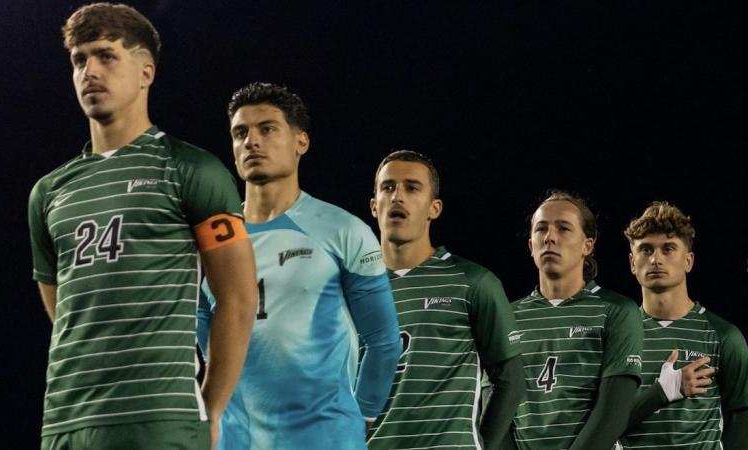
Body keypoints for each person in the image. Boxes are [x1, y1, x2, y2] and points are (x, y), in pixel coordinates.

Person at [27, 4, 257, 449]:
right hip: (64, 422)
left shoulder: (192, 170)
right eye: (79, 60)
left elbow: (239, 299)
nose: (89, 70)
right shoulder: (48, 192)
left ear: (146, 72)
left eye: (106, 56)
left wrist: (210, 409)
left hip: (161, 423)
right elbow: (65, 311)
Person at [196, 82, 401, 450]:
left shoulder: (344, 231)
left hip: (326, 438)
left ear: (300, 142)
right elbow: (206, 346)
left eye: (267, 129)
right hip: (236, 440)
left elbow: (384, 341)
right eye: (240, 133)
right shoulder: (210, 242)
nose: (251, 142)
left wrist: (362, 417)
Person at [365, 150, 524, 449]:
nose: (397, 196)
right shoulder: (350, 290)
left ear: (434, 208)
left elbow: (510, 381)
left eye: (412, 188)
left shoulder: (474, 282)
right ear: (374, 206)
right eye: (388, 187)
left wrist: (480, 444)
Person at [510, 191, 643, 450]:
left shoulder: (617, 311)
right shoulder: (506, 316)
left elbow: (612, 416)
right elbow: (496, 411)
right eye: (541, 229)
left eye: (563, 228)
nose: (550, 237)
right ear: (530, 245)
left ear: (587, 245)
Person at [618, 202, 748, 449]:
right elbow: (603, 425)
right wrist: (661, 392)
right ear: (632, 263)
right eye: (646, 250)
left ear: (688, 261)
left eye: (668, 249)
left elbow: (740, 422)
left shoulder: (724, 336)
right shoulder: (618, 335)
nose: (656, 259)